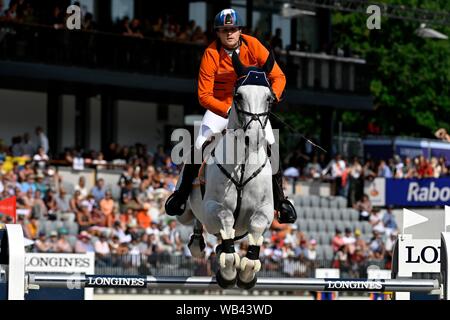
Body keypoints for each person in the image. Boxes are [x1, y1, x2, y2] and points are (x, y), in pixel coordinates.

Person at [165, 8, 296, 224]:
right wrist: (226, 111)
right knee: (199, 143)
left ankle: (281, 201)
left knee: (271, 143)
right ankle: (181, 194)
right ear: (218, 32)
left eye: (233, 29)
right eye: (224, 30)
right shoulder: (211, 54)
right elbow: (203, 95)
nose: (229, 34)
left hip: (250, 107)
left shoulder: (253, 45)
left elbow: (278, 76)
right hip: (221, 107)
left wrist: (271, 96)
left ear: (240, 30)